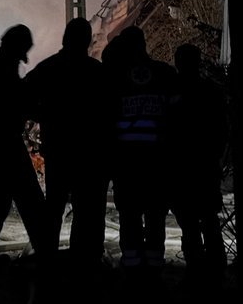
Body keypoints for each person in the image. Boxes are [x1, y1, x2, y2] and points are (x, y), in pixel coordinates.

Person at [23, 17, 111, 286]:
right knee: (89, 210)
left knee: (54, 208)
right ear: (87, 41)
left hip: (60, 150)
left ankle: (48, 262)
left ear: (64, 38)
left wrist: (45, 115)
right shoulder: (96, 72)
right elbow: (109, 112)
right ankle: (86, 262)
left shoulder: (49, 68)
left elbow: (23, 96)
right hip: (89, 153)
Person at [106, 25, 177, 292]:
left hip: (128, 164)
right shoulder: (165, 74)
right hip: (158, 163)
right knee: (156, 217)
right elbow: (178, 120)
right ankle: (155, 270)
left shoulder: (116, 78)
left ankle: (133, 271)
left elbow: (107, 122)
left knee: (130, 217)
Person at [0, 24, 47, 271]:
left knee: (2, 201)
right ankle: (43, 251)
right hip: (2, 143)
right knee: (28, 199)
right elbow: (9, 106)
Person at [168, 43, 228, 293]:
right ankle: (217, 272)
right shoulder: (211, 92)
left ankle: (195, 271)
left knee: (190, 224)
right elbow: (222, 130)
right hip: (205, 167)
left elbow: (168, 132)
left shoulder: (172, 93)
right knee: (209, 221)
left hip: (183, 169)